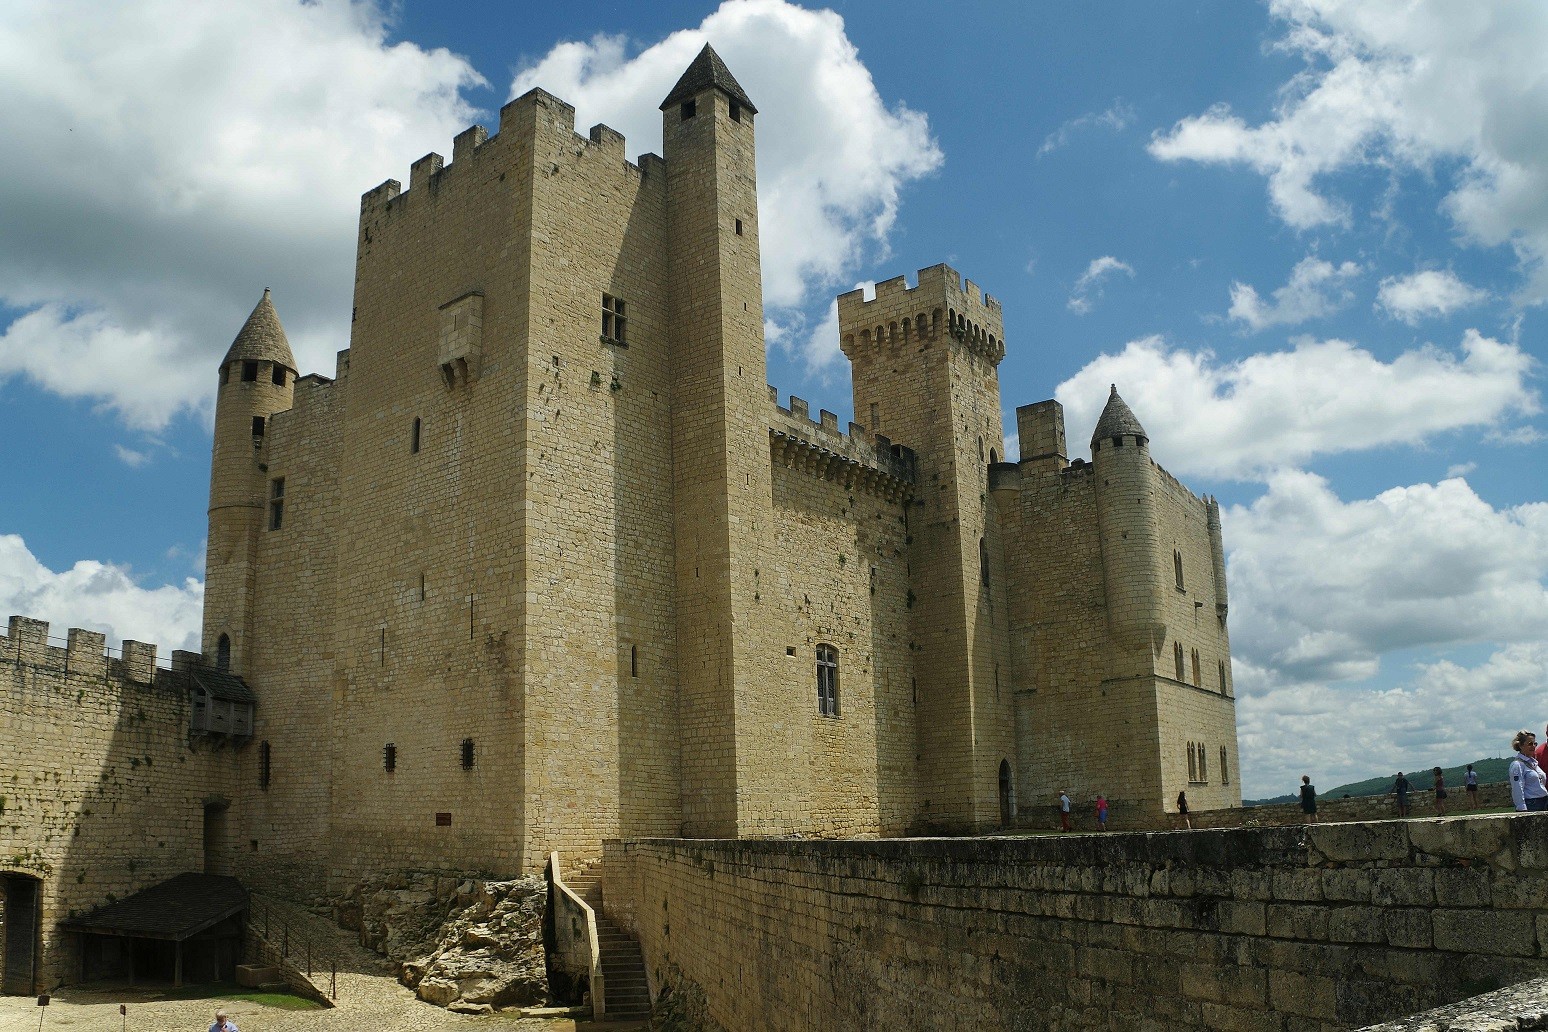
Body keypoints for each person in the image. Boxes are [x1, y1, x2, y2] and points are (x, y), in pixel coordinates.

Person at [1509, 731, 1548, 812]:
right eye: (1530, 744)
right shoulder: (1517, 765)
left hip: (1544, 801)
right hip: (1532, 803)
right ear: (1520, 745)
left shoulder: (1533, 763)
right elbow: (1517, 788)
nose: (1533, 746)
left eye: (1535, 744)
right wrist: (1521, 807)